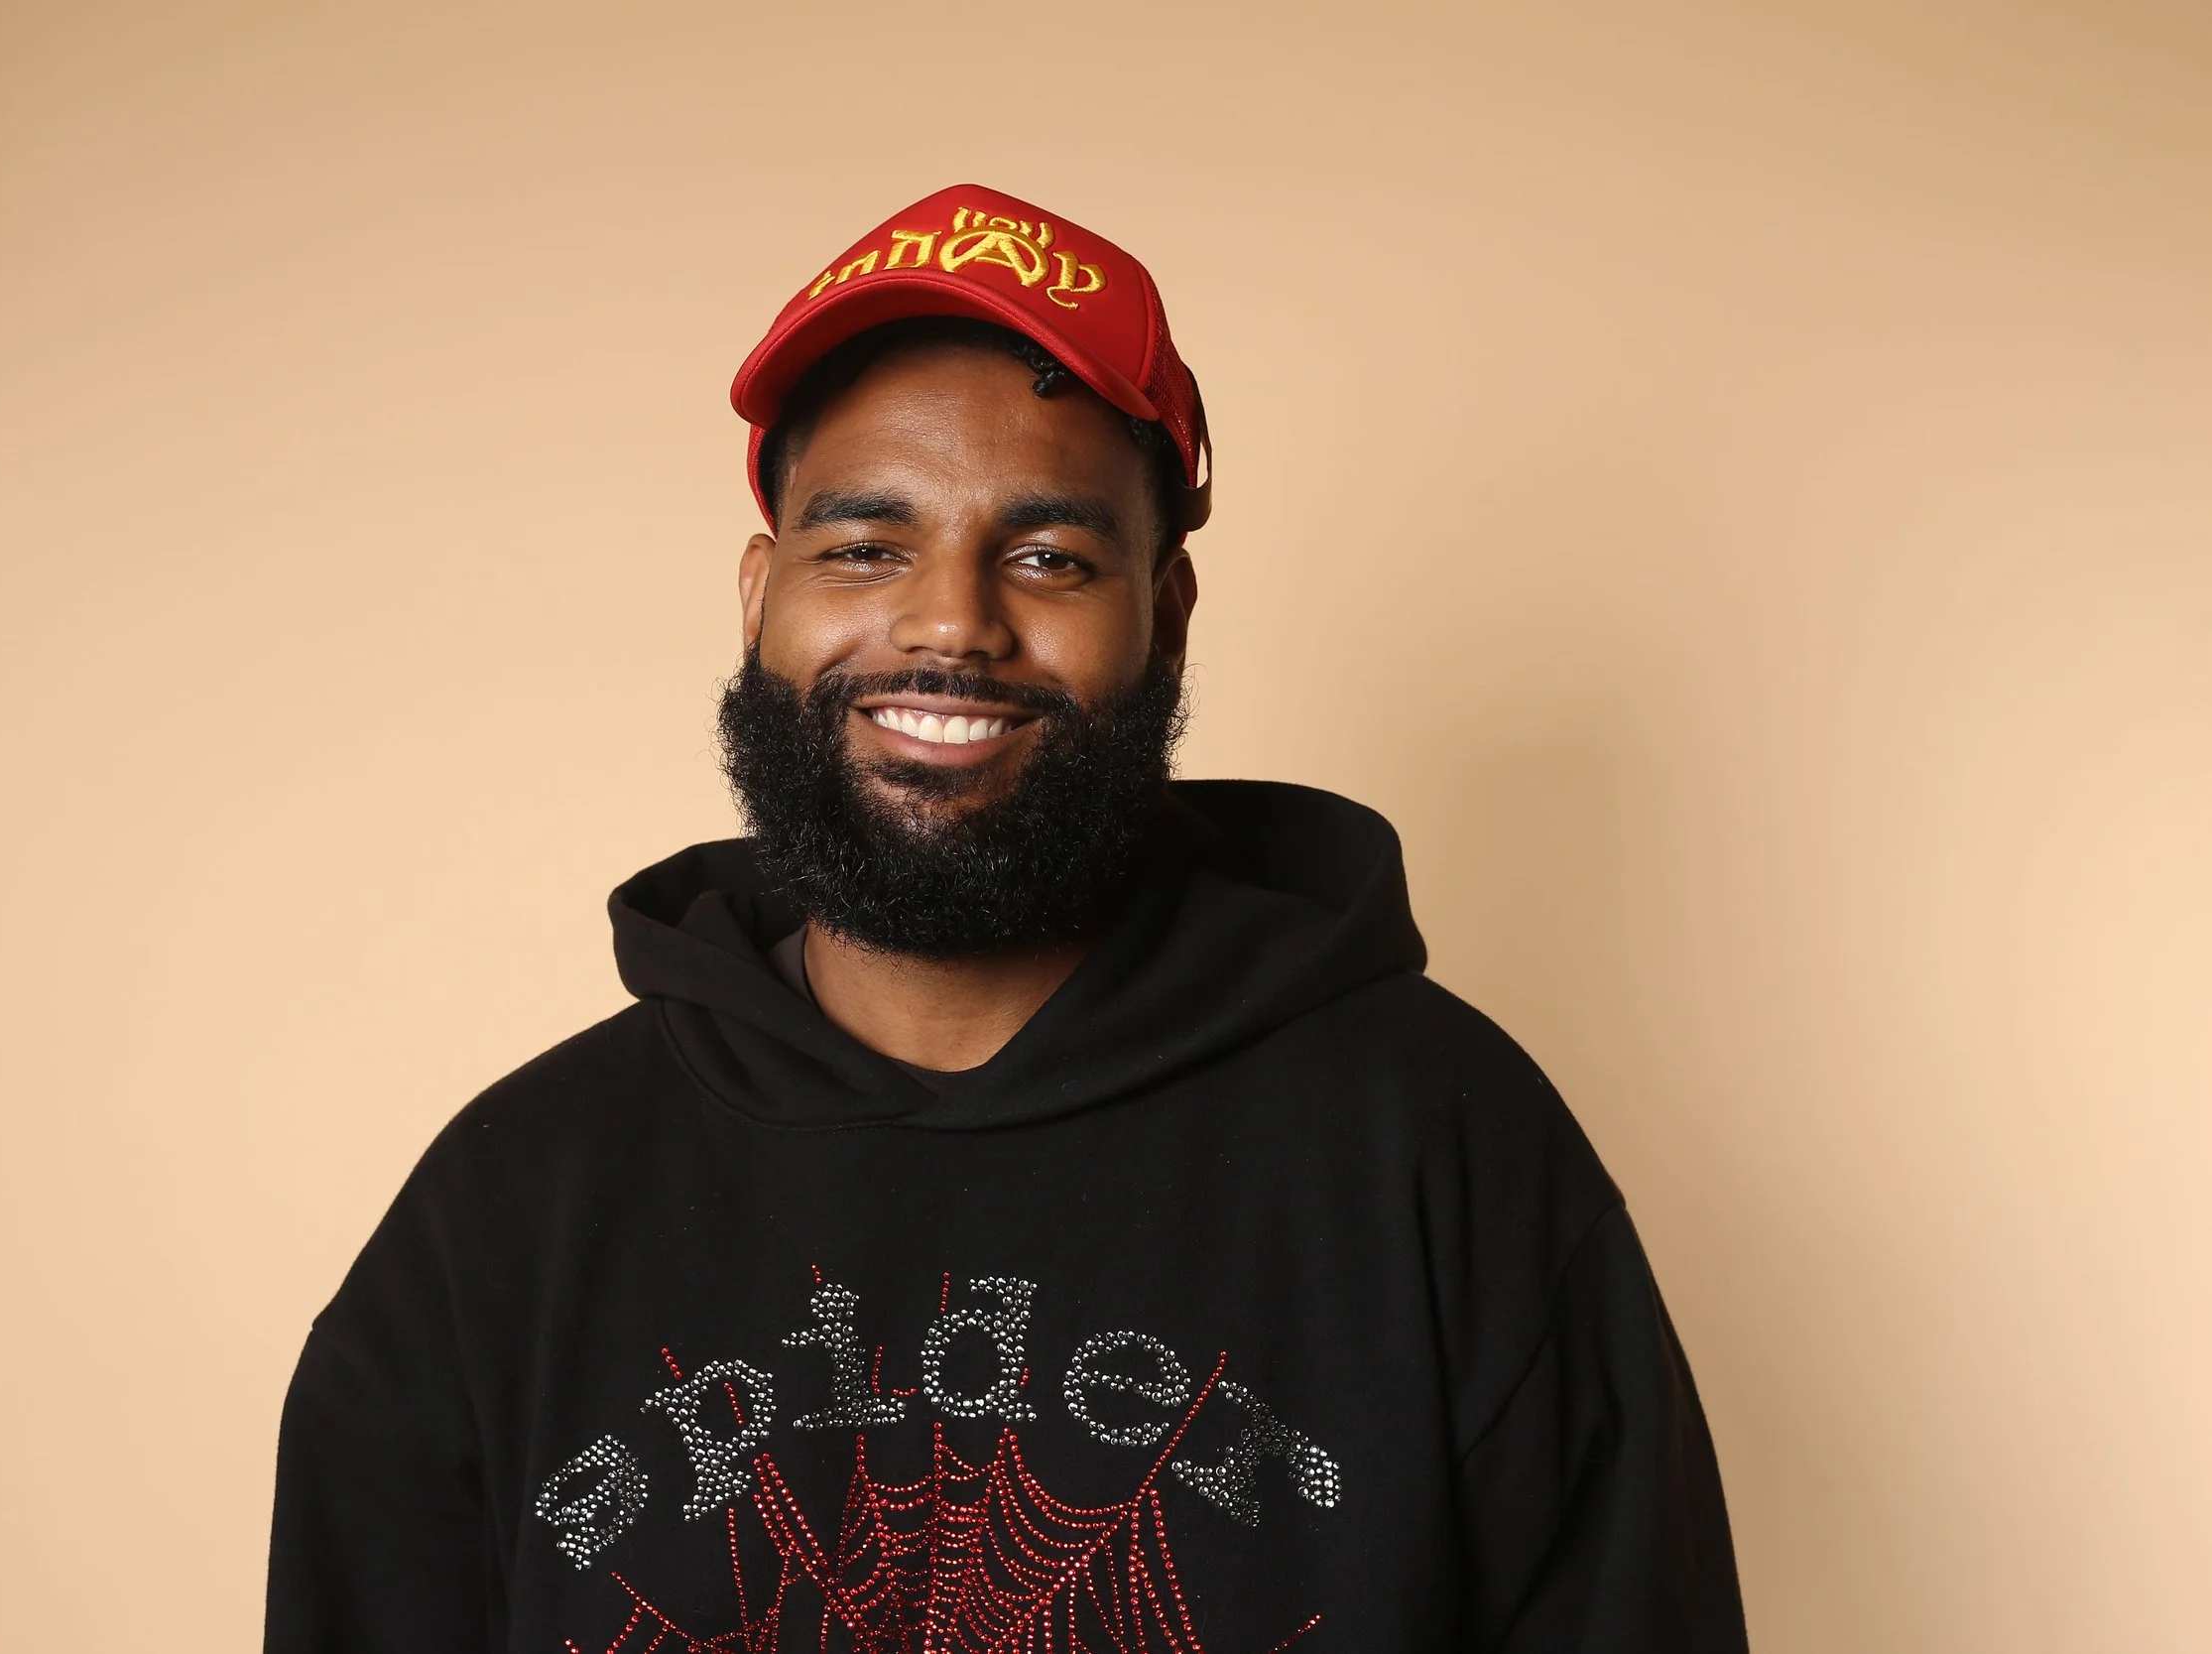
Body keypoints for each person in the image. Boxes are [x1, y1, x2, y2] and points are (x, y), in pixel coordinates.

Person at [264, 184, 1746, 1654]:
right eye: (864, 547)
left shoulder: (1446, 1148)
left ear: (1165, 615)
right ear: (757, 597)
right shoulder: (507, 1213)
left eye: (1048, 556)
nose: (952, 621)